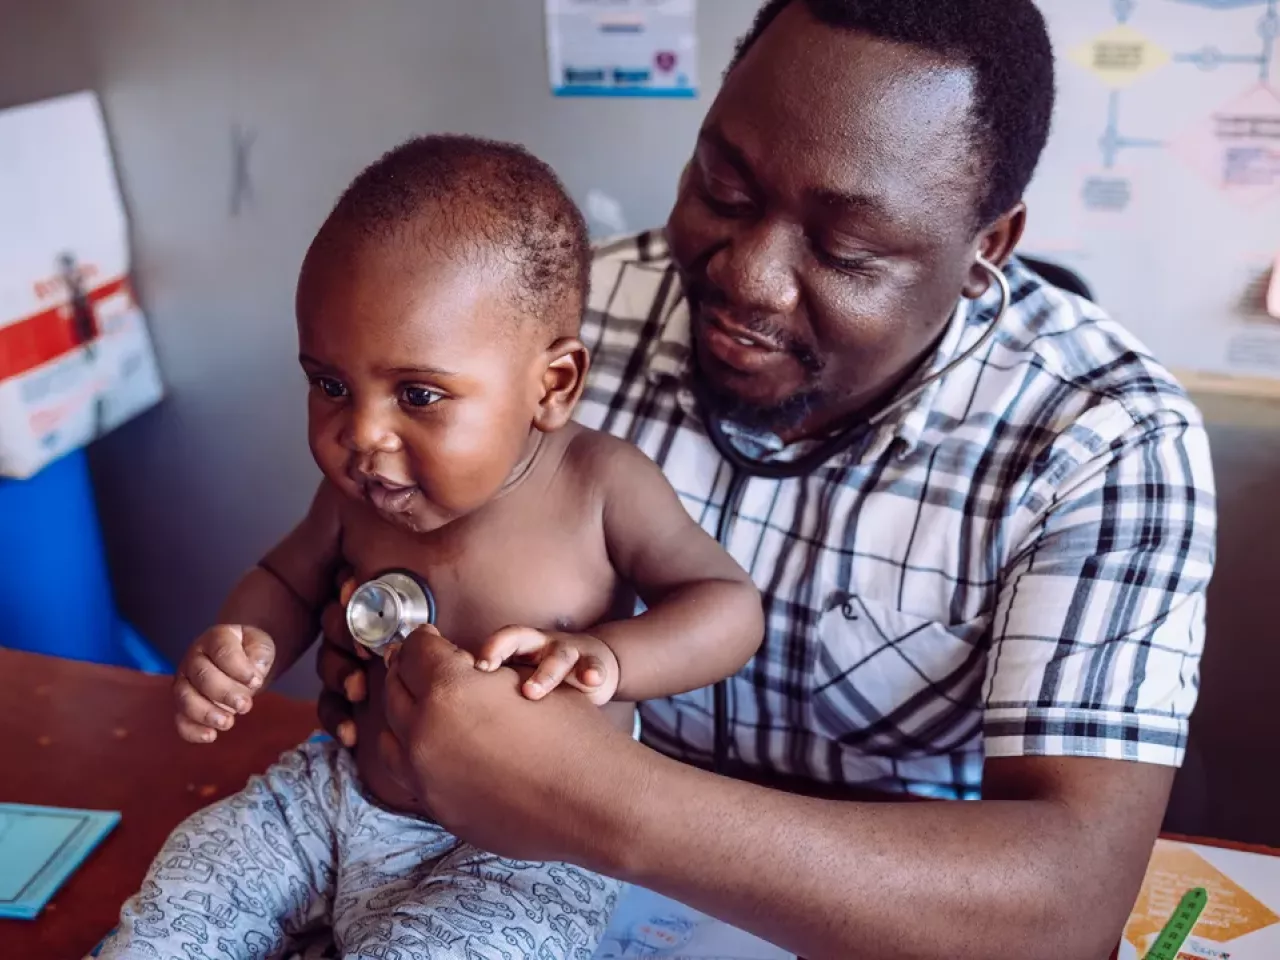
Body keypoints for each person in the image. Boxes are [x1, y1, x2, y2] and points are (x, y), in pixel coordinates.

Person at [316, 2, 1217, 959]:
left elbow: (1069, 905)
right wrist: (397, 675)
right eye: (725, 189)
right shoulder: (545, 342)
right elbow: (389, 568)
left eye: (845, 252)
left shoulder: (1106, 441)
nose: (748, 278)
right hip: (506, 886)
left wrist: (597, 800)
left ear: (986, 247)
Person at [95, 135, 763, 960]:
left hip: (525, 848)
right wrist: (240, 645)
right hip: (335, 795)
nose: (363, 435)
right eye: (330, 384)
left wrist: (604, 657)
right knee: (180, 898)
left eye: (419, 394)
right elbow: (285, 579)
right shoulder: (359, 497)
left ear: (551, 385)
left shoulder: (602, 485)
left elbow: (727, 608)